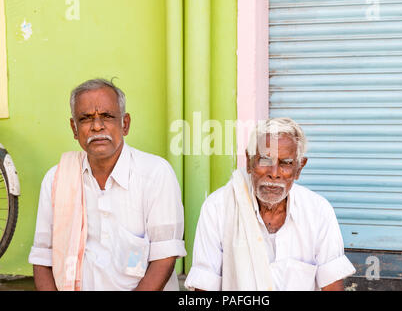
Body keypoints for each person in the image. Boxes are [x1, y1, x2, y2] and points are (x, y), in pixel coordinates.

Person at [29, 78, 186, 291]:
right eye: (85, 119)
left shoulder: (155, 174)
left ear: (125, 123)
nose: (96, 126)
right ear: (74, 129)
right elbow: (42, 258)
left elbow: (165, 257)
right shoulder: (56, 179)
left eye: (107, 116)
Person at [184, 117, 355, 291]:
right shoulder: (217, 208)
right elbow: (204, 285)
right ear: (250, 162)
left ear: (299, 168)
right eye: (265, 160)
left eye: (286, 163)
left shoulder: (318, 211)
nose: (274, 174)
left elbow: (332, 285)